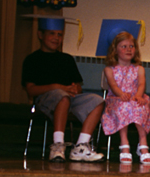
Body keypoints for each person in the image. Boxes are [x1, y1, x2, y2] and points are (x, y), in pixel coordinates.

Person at [21, 15, 105, 162]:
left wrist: (75, 89)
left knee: (97, 101)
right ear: (40, 35)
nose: (56, 38)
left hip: (70, 99)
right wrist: (56, 87)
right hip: (46, 100)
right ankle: (58, 145)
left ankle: (81, 146)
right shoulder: (32, 60)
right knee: (62, 96)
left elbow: (77, 86)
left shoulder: (67, 59)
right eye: (52, 33)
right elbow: (31, 90)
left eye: (59, 34)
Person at [98, 19, 150, 165]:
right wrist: (120, 94)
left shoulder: (139, 69)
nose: (129, 49)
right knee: (123, 107)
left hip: (136, 97)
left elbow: (141, 84)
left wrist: (138, 95)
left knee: (140, 106)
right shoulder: (109, 70)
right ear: (115, 50)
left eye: (131, 46)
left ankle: (143, 144)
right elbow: (113, 85)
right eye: (124, 46)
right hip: (117, 99)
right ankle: (124, 145)